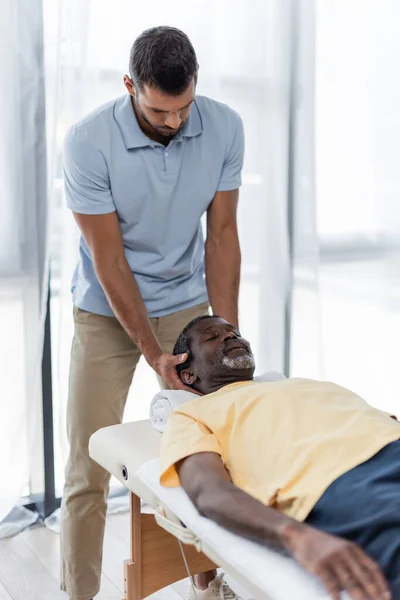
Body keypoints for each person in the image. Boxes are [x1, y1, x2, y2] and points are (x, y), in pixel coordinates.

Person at [61, 26, 244, 600]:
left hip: (185, 298)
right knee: (87, 463)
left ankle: (207, 582)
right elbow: (109, 261)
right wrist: (151, 353)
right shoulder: (88, 141)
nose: (175, 122)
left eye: (185, 107)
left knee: (210, 448)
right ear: (129, 86)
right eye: (161, 111)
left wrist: (227, 335)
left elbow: (221, 237)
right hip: (107, 312)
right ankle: (79, 593)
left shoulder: (224, 126)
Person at [160, 314, 400, 600]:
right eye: (212, 337)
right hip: (343, 486)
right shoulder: (191, 415)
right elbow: (208, 492)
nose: (230, 337)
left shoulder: (304, 384)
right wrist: (297, 537)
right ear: (188, 374)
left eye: (233, 333)